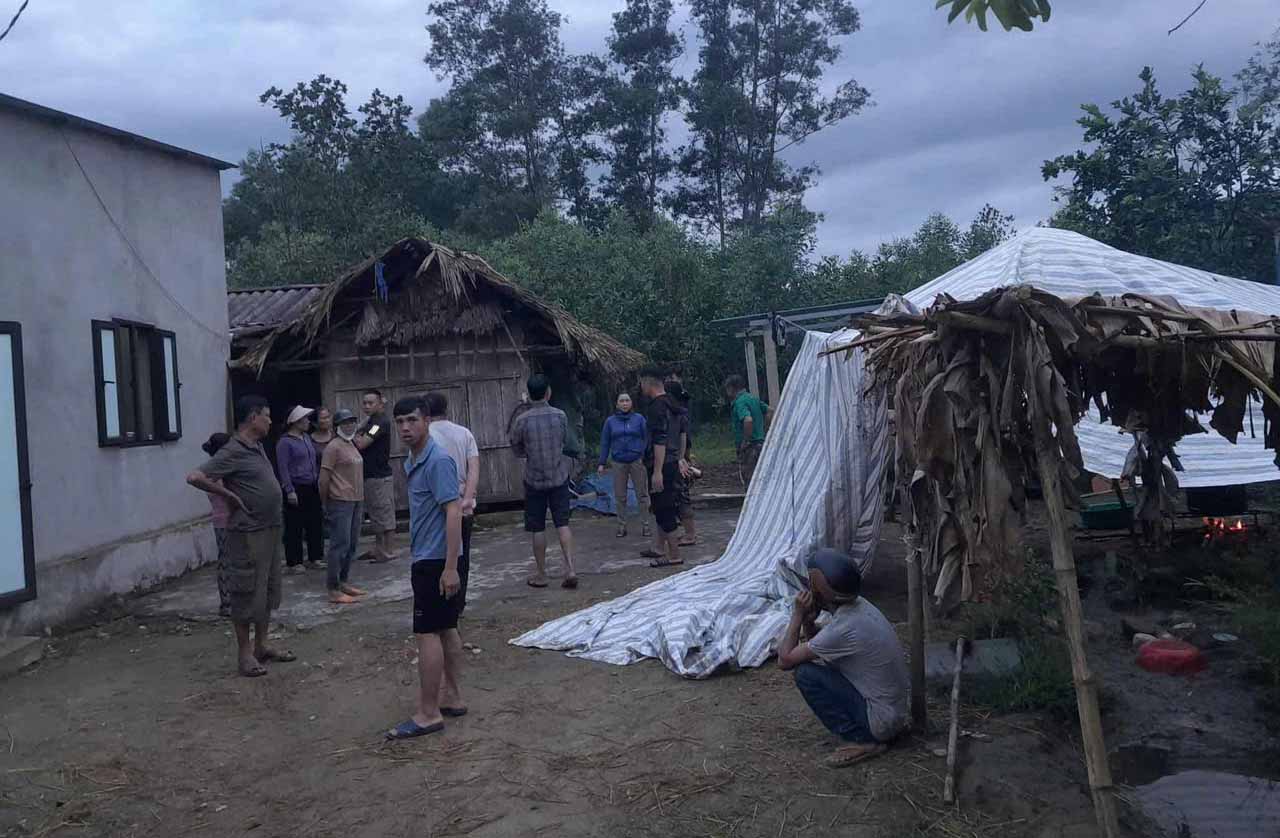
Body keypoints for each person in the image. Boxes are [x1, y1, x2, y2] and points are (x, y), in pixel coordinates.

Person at [186, 396, 296, 678]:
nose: (271, 421)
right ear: (252, 417)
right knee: (246, 592)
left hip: (270, 528)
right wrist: (229, 495)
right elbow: (195, 477)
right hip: (247, 533)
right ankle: (245, 654)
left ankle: (262, 646)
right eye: (267, 416)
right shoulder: (232, 450)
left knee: (268, 591)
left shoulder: (256, 447)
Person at [777, 548, 910, 768]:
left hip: (881, 722)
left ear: (819, 589)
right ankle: (871, 734)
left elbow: (785, 660)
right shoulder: (860, 607)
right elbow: (823, 648)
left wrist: (797, 615)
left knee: (806, 674)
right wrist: (810, 623)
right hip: (893, 712)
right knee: (818, 667)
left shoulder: (844, 628)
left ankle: (864, 740)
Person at [386, 396, 466, 740]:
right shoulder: (414, 458)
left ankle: (428, 713)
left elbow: (454, 511)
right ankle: (453, 696)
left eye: (412, 421)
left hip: (435, 560)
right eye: (400, 422)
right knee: (446, 627)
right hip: (433, 557)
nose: (406, 428)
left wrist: (450, 567)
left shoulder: (437, 460)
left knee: (427, 633)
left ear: (427, 420)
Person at [509, 373, 578, 589]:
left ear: (529, 394)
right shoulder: (560, 415)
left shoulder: (521, 420)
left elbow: (516, 448)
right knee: (562, 523)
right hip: (559, 477)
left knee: (537, 527)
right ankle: (570, 569)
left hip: (534, 480)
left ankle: (541, 574)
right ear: (548, 392)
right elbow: (565, 440)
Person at [422, 392, 480, 571]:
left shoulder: (424, 436)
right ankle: (459, 596)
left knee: (434, 558)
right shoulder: (464, 433)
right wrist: (468, 498)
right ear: (446, 409)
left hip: (433, 506)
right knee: (462, 557)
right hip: (462, 502)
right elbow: (474, 468)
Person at [319, 409, 367, 605]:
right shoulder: (333, 447)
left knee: (352, 544)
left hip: (356, 500)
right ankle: (333, 589)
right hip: (340, 501)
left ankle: (343, 581)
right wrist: (325, 503)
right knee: (339, 545)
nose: (349, 425)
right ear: (336, 426)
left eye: (352, 422)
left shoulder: (351, 444)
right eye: (345, 422)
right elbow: (323, 479)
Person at [639, 367, 686, 568]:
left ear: (648, 383)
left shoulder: (657, 407)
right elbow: (683, 433)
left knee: (665, 509)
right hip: (673, 460)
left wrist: (657, 471)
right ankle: (659, 547)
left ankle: (674, 555)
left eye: (641, 382)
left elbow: (659, 440)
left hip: (662, 464)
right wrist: (681, 457)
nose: (640, 387)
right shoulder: (673, 403)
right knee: (660, 507)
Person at [277, 406, 324, 574]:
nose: (308, 422)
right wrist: (289, 490)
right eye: (304, 419)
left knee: (315, 522)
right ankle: (294, 561)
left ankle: (315, 557)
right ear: (295, 422)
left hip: (311, 485)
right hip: (296, 486)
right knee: (294, 525)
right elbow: (283, 468)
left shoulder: (306, 438)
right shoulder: (285, 442)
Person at [597, 392, 650, 539]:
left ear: (631, 403)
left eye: (627, 400)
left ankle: (646, 525)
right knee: (620, 496)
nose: (625, 403)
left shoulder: (639, 419)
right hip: (618, 462)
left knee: (642, 494)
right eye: (622, 401)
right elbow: (605, 442)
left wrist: (644, 455)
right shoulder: (610, 422)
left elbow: (647, 437)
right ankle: (622, 526)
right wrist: (601, 463)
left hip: (636, 460)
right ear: (617, 404)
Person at [355, 389, 398, 562]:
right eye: (364, 403)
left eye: (370, 403)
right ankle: (379, 548)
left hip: (379, 476)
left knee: (384, 513)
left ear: (380, 404)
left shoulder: (379, 423)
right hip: (370, 475)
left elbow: (361, 443)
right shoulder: (370, 421)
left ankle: (387, 551)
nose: (366, 406)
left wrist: (355, 434)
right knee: (376, 513)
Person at [201, 432, 233, 618]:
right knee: (226, 562)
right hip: (224, 520)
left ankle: (229, 601)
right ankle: (227, 602)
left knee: (229, 561)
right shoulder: (214, 472)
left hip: (223, 519)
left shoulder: (217, 469)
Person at [724, 374, 772, 487]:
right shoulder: (753, 398)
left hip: (750, 448)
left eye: (727, 389)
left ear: (731, 388)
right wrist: (765, 431)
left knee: (750, 483)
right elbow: (770, 411)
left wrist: (745, 441)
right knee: (763, 480)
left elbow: (748, 420)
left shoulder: (739, 402)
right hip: (761, 444)